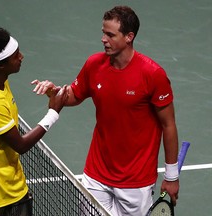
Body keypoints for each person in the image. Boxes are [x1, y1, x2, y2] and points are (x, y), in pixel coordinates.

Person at [31, 5, 179, 216]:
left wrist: (171, 177)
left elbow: (168, 124)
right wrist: (55, 93)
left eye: (110, 34)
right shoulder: (94, 64)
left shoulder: (152, 74)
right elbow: (74, 94)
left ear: (129, 37)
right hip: (96, 174)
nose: (103, 39)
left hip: (135, 181)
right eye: (103, 32)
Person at [0, 27, 68, 216]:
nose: (22, 57)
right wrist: (53, 112)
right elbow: (21, 145)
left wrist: (50, 92)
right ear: (0, 65)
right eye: (16, 55)